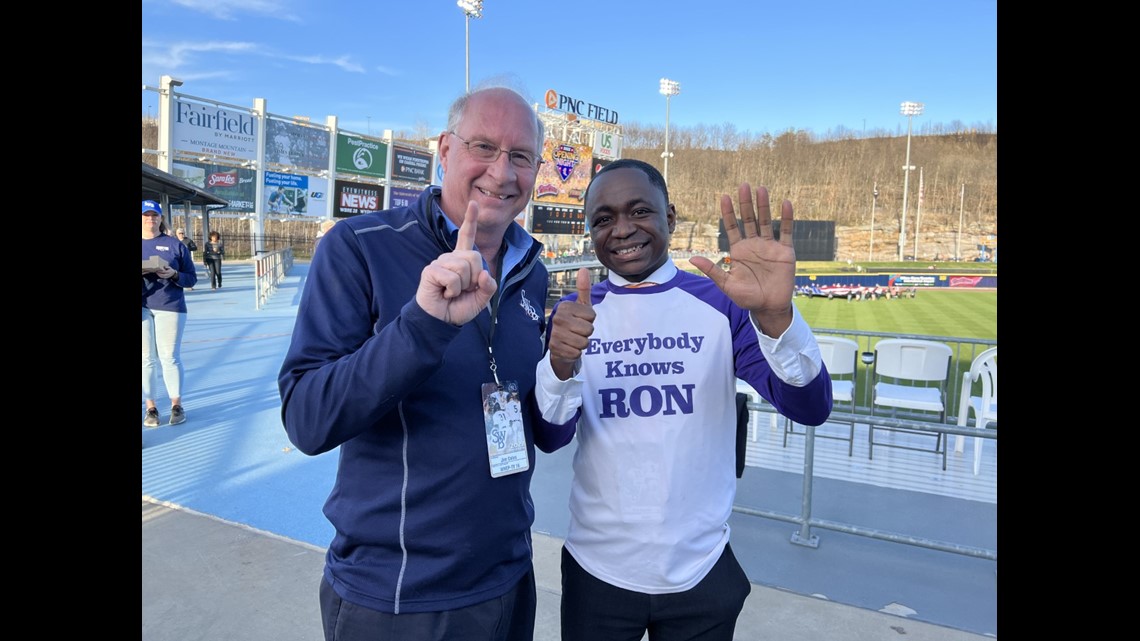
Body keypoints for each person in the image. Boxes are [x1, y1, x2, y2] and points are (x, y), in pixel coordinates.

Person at [278, 84, 566, 641]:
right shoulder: (360, 246)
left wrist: (563, 375)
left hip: (506, 580)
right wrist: (423, 324)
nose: (502, 173)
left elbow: (535, 425)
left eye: (521, 156)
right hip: (397, 598)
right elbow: (307, 419)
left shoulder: (531, 269)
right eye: (483, 146)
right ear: (445, 150)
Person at [536, 159, 834, 641]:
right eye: (604, 219)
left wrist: (778, 317)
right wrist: (559, 364)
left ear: (670, 217)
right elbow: (551, 436)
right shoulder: (577, 316)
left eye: (639, 211)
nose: (623, 229)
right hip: (598, 572)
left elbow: (809, 407)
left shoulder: (722, 304)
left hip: (701, 572)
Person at [142, 199, 198, 427]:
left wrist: (174, 274)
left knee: (170, 357)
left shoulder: (176, 245)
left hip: (170, 305)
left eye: (154, 215)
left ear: (161, 218)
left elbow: (191, 278)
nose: (150, 219)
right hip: (143, 306)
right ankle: (151, 408)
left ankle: (176, 405)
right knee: (146, 360)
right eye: (146, 215)